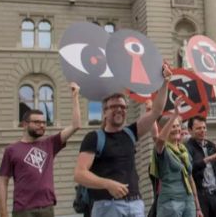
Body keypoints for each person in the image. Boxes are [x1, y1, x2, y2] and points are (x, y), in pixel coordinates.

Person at [73, 64, 171, 217]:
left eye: (123, 107)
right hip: (107, 207)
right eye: (114, 106)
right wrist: (107, 184)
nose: (119, 109)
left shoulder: (131, 132)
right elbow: (79, 174)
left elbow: (157, 111)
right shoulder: (94, 138)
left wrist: (166, 82)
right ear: (105, 112)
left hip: (135, 205)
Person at [0, 82, 82, 217]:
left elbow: (76, 125)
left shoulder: (50, 144)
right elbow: (3, 183)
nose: (42, 125)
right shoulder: (11, 150)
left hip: (47, 209)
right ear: (25, 124)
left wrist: (75, 96)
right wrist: (3, 213)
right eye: (37, 122)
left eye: (44, 122)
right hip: (23, 211)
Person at [153, 100, 200, 217]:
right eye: (172, 126)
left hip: (188, 201)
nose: (177, 129)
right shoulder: (163, 149)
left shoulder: (184, 150)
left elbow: (190, 177)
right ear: (165, 129)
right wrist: (174, 115)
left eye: (178, 125)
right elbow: (159, 141)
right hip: (170, 202)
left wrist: (197, 206)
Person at [187, 116, 216, 217]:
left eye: (204, 128)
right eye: (198, 128)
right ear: (190, 130)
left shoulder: (210, 145)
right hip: (200, 197)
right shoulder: (187, 147)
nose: (202, 131)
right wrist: (209, 159)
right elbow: (189, 168)